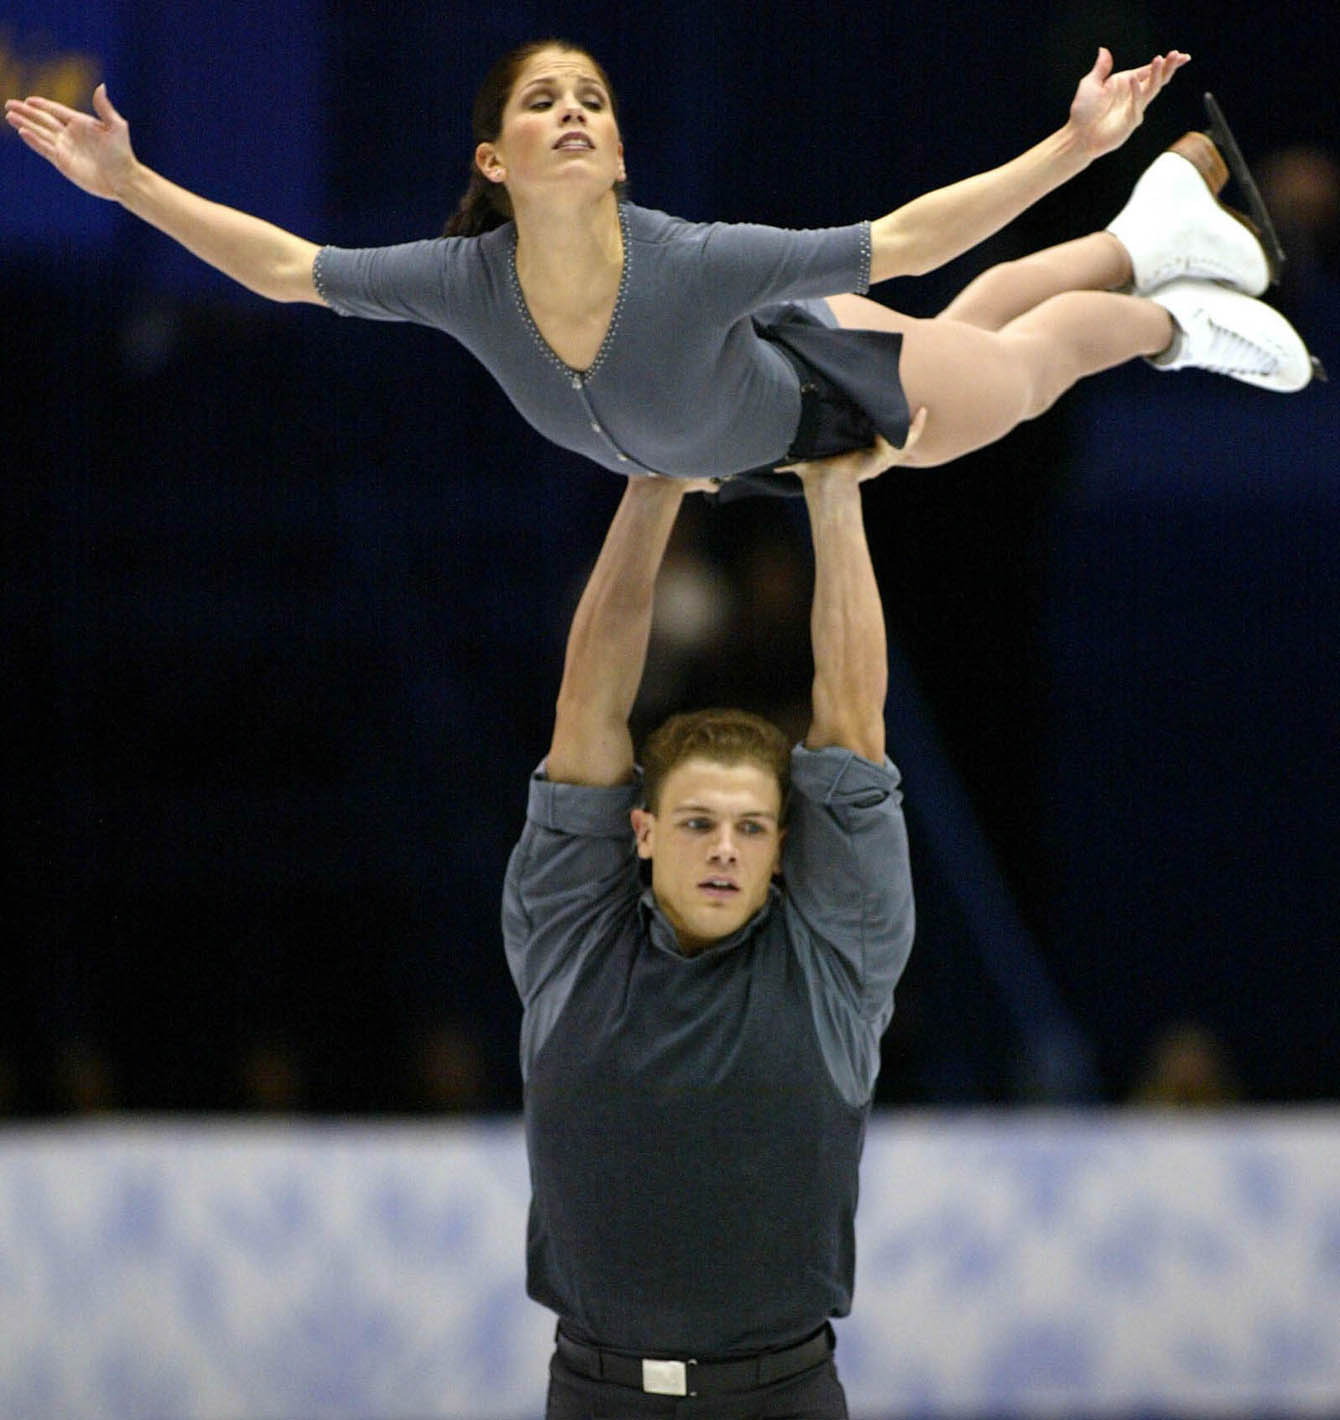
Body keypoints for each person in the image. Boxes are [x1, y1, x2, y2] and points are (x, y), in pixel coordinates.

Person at [4, 42, 1317, 499]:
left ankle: (1172, 320)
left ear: (619, 148)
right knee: (964, 338)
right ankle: (1145, 239)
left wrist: (1068, 143)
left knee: (1019, 374)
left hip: (823, 390)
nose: (571, 111)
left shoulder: (686, 263)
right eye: (541, 103)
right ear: (496, 159)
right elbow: (287, 269)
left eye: (591, 99)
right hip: (747, 417)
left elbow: (908, 234)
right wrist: (129, 184)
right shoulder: (465, 281)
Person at [501, 419, 924, 1418]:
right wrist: (651, 482)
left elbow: (853, 723)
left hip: (781, 1395)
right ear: (640, 832)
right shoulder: (570, 941)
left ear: (785, 847)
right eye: (697, 822)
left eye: (749, 827)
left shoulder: (834, 958)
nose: (725, 848)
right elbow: (586, 713)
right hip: (593, 1393)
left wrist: (834, 488)